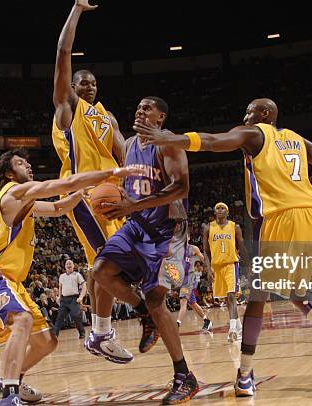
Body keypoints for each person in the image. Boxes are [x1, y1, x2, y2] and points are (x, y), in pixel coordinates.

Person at [134, 97, 312, 396]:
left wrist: (170, 138)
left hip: (282, 216)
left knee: (258, 296)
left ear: (265, 114)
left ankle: (246, 374)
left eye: (249, 111)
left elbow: (214, 141)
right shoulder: (297, 140)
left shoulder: (255, 134)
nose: (245, 116)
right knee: (295, 290)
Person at [0, 149, 141, 405]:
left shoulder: (24, 201)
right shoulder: (13, 192)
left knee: (47, 342)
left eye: (27, 161)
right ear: (9, 173)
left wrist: (80, 195)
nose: (28, 165)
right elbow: (63, 183)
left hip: (11, 281)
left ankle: (10, 378)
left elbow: (59, 207)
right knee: (22, 321)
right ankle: (9, 394)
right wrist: (111, 173)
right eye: (20, 163)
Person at [92, 97, 199, 404]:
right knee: (100, 271)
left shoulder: (169, 145)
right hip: (138, 224)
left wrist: (131, 204)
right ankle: (144, 315)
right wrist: (120, 201)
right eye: (138, 106)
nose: (140, 110)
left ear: (160, 117)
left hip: (169, 231)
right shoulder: (127, 145)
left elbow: (181, 188)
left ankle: (184, 377)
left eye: (148, 107)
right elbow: (132, 184)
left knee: (156, 299)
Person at [51, 0, 133, 363]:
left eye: (94, 83)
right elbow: (63, 51)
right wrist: (77, 10)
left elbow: (124, 154)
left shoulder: (107, 116)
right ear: (72, 86)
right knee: (106, 262)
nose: (89, 86)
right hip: (83, 193)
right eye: (83, 81)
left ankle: (101, 333)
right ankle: (104, 331)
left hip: (111, 192)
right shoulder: (67, 108)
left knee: (107, 263)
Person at [204, 202, 247, 342]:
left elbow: (241, 245)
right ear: (215, 212)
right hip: (216, 267)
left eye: (223, 208)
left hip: (230, 264)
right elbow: (206, 250)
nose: (220, 210)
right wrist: (208, 267)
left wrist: (248, 264)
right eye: (218, 208)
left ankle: (232, 329)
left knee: (231, 295)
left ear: (227, 212)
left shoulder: (235, 227)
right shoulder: (208, 228)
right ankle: (239, 327)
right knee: (226, 299)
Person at [177, 255, 213, 333]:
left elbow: (203, 258)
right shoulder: (176, 251)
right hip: (182, 280)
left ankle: (177, 324)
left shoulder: (192, 249)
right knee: (193, 304)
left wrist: (210, 269)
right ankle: (207, 321)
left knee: (183, 301)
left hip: (189, 280)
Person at [54, 259, 86, 338]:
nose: (68, 265)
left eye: (70, 264)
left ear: (73, 266)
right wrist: (59, 297)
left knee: (76, 315)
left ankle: (82, 332)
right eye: (67, 264)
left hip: (74, 299)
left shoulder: (77, 275)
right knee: (60, 317)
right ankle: (55, 334)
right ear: (65, 266)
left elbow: (84, 285)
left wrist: (81, 297)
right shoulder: (62, 276)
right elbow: (60, 287)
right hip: (64, 299)